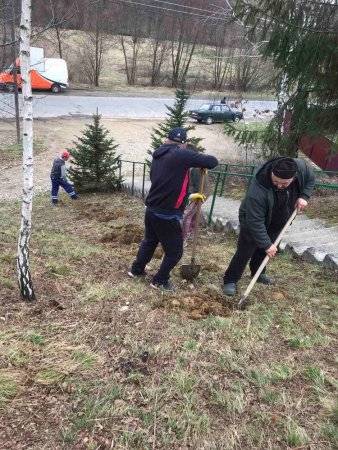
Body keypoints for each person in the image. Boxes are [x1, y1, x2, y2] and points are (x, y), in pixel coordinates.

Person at [128, 127, 218, 291]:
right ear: (183, 144)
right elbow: (212, 161)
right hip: (167, 213)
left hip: (152, 208)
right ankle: (160, 281)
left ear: (167, 139)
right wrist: (197, 160)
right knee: (175, 252)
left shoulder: (159, 153)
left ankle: (136, 270)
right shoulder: (180, 154)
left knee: (150, 241)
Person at [222, 156, 315, 296]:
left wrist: (304, 196)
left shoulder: (301, 168)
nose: (279, 185)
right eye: (276, 181)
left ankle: (258, 273)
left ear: (294, 177)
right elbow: (255, 221)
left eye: (284, 183)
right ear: (272, 172)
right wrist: (266, 244)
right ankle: (230, 280)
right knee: (245, 251)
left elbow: (310, 178)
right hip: (252, 220)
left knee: (263, 251)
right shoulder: (259, 188)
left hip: (279, 219)